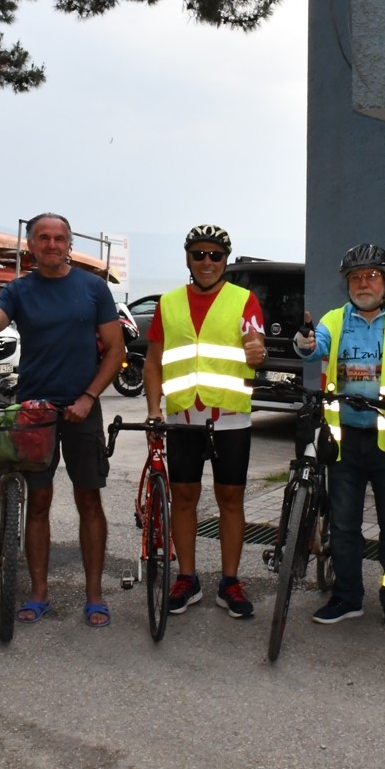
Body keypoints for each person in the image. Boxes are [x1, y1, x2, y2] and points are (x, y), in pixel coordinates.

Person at [0, 213, 124, 628]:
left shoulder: (92, 288)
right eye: (43, 238)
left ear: (68, 244)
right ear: (30, 245)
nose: (51, 244)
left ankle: (95, 596)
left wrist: (88, 397)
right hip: (35, 410)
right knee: (39, 502)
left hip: (81, 408)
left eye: (59, 238)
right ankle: (38, 593)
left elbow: (116, 351)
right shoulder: (18, 290)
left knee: (89, 500)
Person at [293, 244, 385, 633]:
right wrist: (305, 343)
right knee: (343, 524)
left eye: (371, 275)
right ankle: (347, 596)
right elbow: (314, 348)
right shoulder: (334, 320)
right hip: (345, 441)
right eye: (355, 277)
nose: (363, 283)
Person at [142, 225, 266, 618]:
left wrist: (256, 352)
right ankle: (187, 578)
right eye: (199, 255)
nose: (207, 262)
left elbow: (255, 351)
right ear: (188, 259)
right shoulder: (169, 302)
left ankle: (230, 581)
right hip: (182, 417)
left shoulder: (245, 300)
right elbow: (152, 361)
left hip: (230, 416)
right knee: (184, 499)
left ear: (226, 260)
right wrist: (152, 410)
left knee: (230, 499)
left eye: (215, 255)